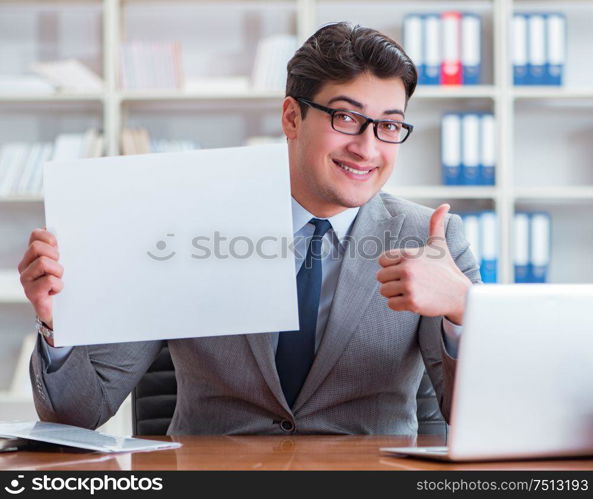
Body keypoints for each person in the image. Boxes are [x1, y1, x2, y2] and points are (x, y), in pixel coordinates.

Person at [19, 22, 480, 435]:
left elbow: (478, 417)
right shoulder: (183, 227)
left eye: (389, 126)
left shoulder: (432, 241)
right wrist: (59, 322)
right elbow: (78, 415)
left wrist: (463, 310)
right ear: (291, 117)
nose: (367, 147)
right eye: (346, 118)